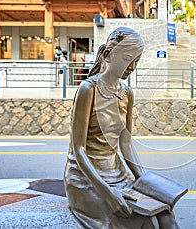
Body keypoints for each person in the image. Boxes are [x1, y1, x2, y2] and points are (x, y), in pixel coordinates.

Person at [64, 27, 179, 229]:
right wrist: (108, 194)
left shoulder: (127, 93)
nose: (132, 66)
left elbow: (125, 143)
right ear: (109, 55)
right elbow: (79, 150)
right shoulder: (88, 89)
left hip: (118, 173)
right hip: (87, 177)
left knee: (166, 214)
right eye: (127, 58)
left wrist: (143, 179)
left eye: (137, 60)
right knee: (142, 222)